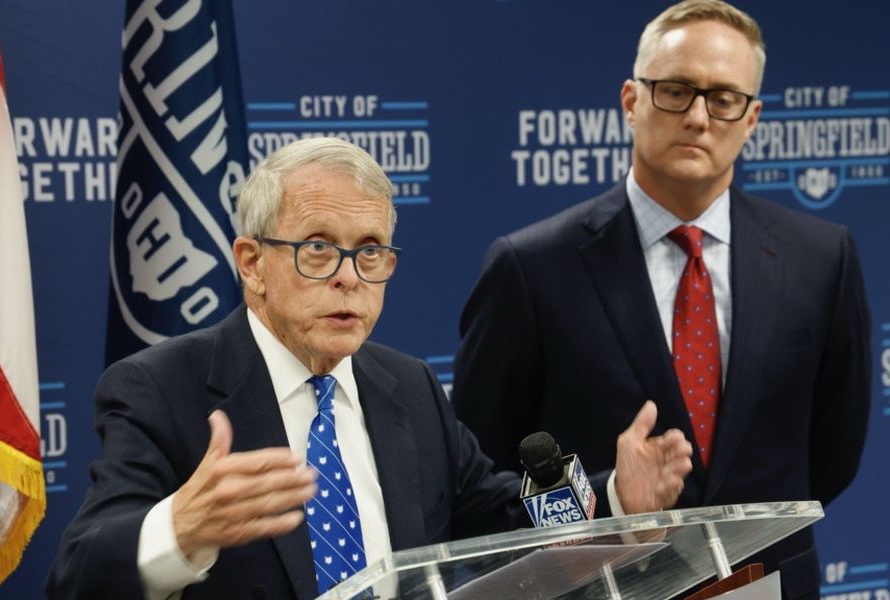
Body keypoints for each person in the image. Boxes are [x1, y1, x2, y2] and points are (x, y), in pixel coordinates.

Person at [46, 137, 692, 600]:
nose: (350, 279)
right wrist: (179, 531)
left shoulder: (406, 386)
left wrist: (611, 500)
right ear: (251, 263)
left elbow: (498, 527)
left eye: (371, 252)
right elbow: (77, 574)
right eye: (319, 249)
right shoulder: (162, 389)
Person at [451, 2, 871, 599]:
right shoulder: (531, 267)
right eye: (675, 90)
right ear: (631, 100)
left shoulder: (823, 256)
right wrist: (609, 508)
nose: (699, 117)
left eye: (724, 99)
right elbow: (479, 482)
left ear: (751, 119)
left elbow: (832, 457)